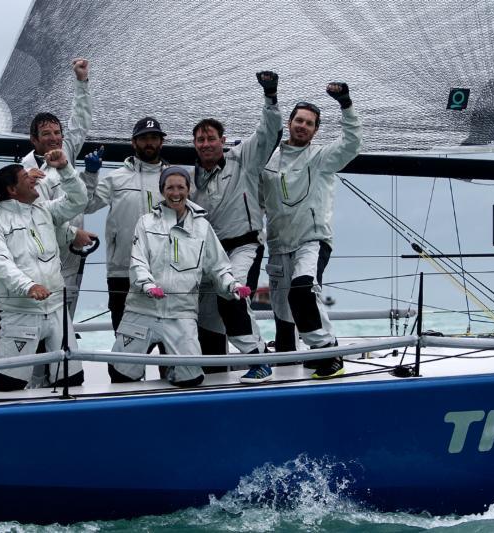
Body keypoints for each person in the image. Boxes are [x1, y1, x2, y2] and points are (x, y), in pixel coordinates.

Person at [110, 166, 250, 387]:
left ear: (189, 189)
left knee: (191, 378)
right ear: (162, 190)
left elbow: (218, 267)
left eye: (180, 187)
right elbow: (137, 262)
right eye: (170, 187)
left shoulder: (203, 227)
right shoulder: (145, 222)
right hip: (142, 310)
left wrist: (232, 285)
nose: (175, 193)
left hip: (181, 313)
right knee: (121, 373)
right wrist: (147, 285)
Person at [261, 83, 362, 378]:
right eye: (298, 120)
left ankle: (329, 351)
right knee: (281, 310)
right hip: (278, 244)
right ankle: (287, 362)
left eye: (309, 123)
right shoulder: (269, 162)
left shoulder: (322, 158)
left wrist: (345, 104)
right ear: (290, 123)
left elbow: (352, 144)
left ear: (316, 130)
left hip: (312, 240)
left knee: (303, 291)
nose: (302, 126)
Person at [190, 71, 282, 384]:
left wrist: (270, 96)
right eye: (200, 139)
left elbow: (269, 134)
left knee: (232, 295)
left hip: (245, 245)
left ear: (222, 141)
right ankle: (214, 370)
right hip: (211, 254)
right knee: (205, 314)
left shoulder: (242, 159)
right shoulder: (191, 180)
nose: (205, 144)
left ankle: (258, 359)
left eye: (211, 138)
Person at [0, 150, 88, 391]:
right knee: (9, 385)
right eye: (25, 176)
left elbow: (79, 200)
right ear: (12, 190)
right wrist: (29, 286)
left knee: (72, 380)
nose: (33, 178)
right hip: (20, 313)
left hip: (57, 310)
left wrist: (65, 168)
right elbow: (1, 265)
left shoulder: (43, 211)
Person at [84, 116, 169, 380]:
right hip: (123, 272)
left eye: (154, 137)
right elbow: (86, 205)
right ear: (134, 142)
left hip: (166, 273)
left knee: (170, 345)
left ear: (161, 142)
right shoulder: (115, 178)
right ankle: (127, 390)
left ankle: (174, 396)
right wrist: (90, 174)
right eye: (144, 137)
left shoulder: (174, 179)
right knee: (127, 345)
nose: (149, 142)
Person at [20, 58, 97, 319]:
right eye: (46, 134)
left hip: (73, 255)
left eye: (57, 132)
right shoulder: (25, 172)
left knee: (66, 323)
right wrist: (73, 233)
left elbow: (81, 120)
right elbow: (39, 215)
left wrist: (82, 81)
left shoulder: (67, 152)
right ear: (34, 140)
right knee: (43, 319)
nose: (54, 138)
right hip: (43, 257)